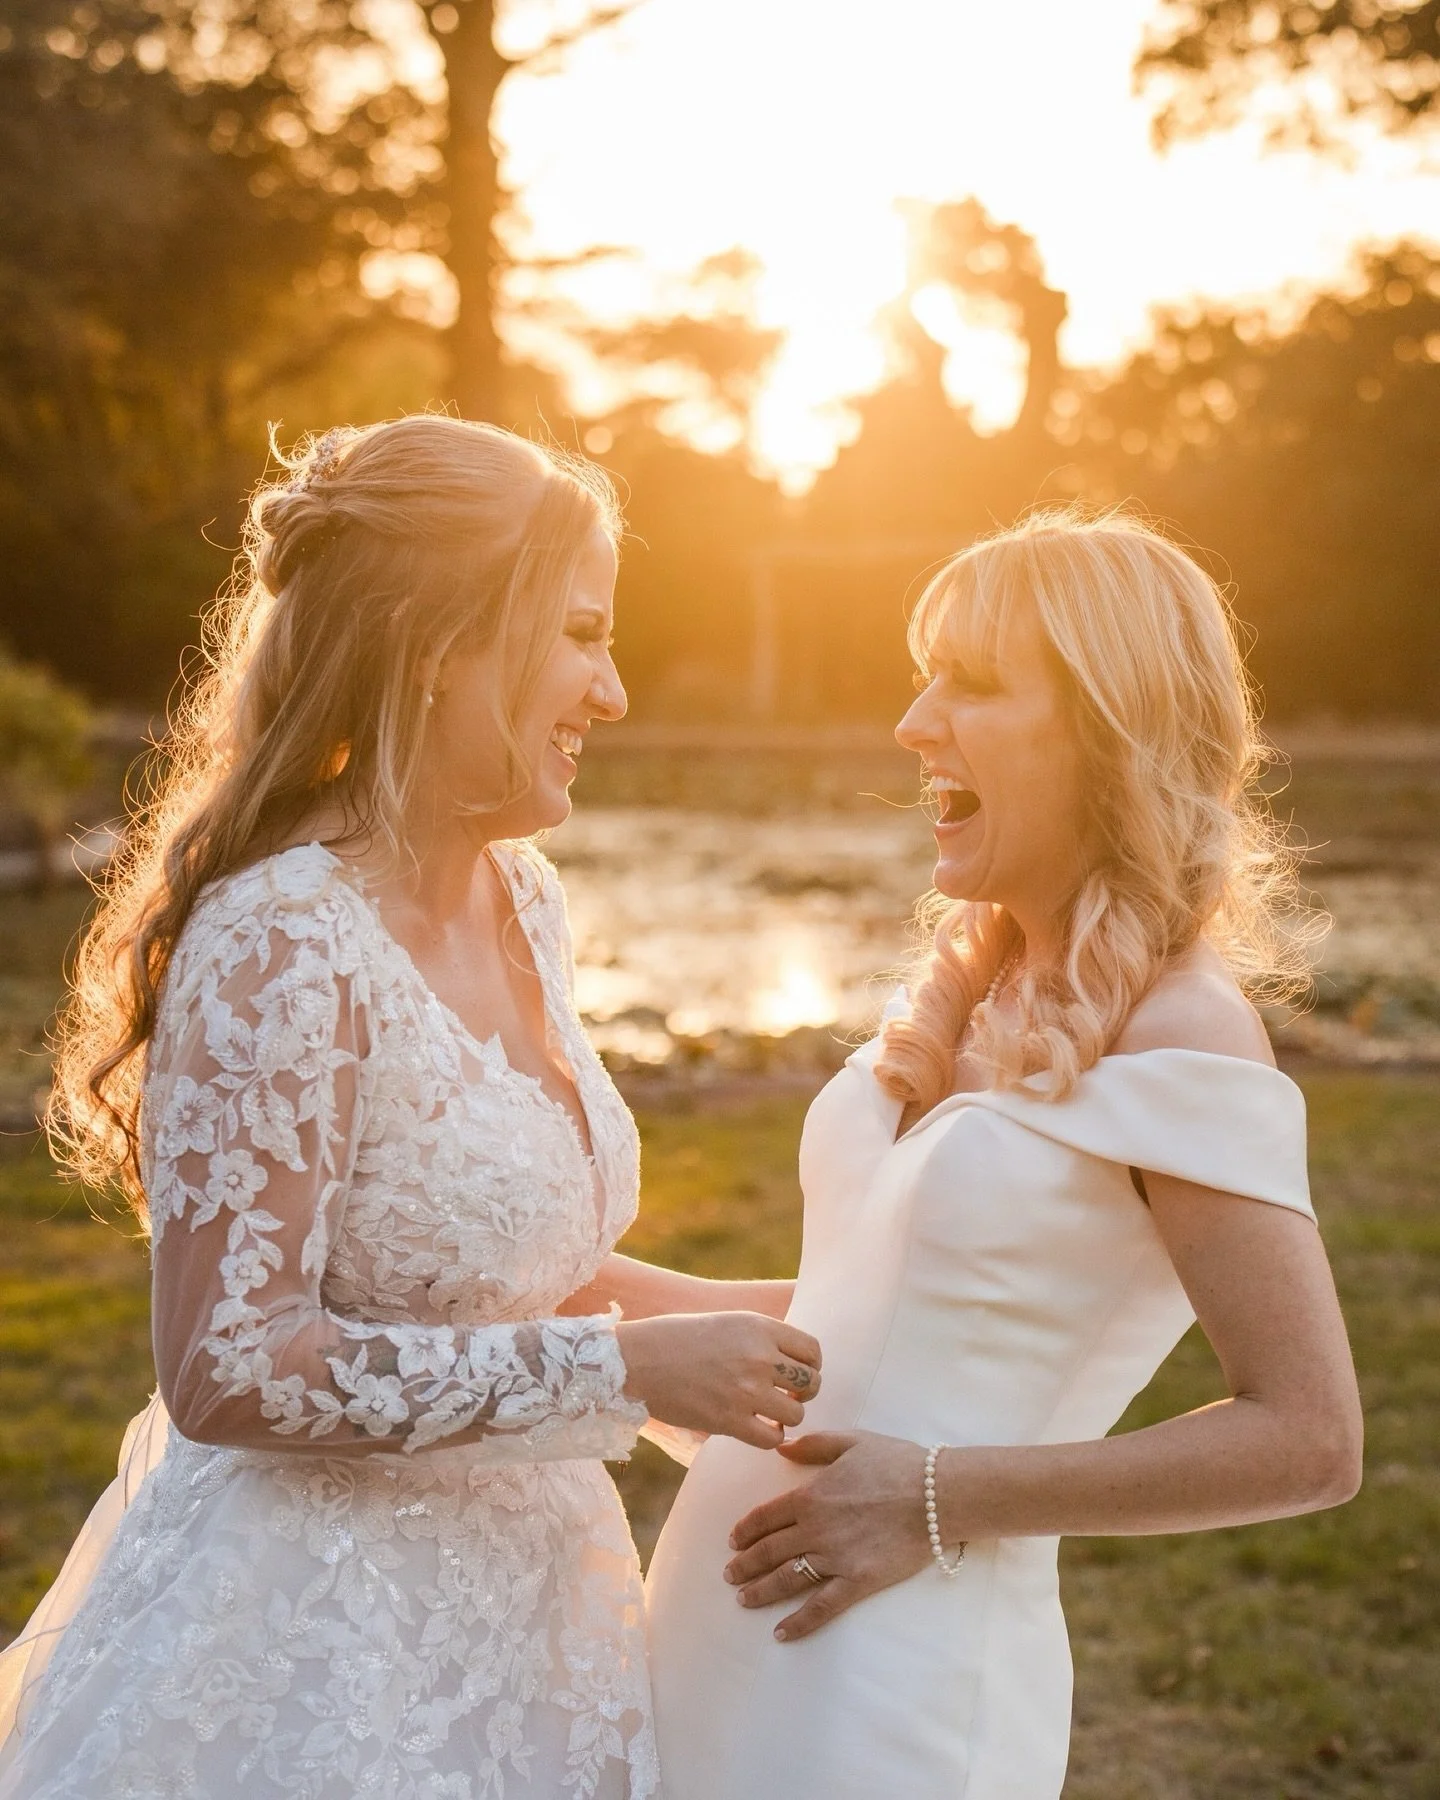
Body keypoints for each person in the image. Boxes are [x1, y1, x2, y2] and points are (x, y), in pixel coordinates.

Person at [0, 416, 822, 1800]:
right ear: (441, 645)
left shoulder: (527, 900)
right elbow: (231, 1367)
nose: (612, 692)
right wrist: (625, 1375)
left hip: (541, 1618)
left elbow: (496, 1268)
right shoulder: (280, 943)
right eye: (578, 636)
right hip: (325, 1650)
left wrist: (804, 1317)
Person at [645, 509, 1364, 1800]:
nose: (917, 723)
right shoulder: (975, 990)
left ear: (1107, 727)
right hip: (712, 1664)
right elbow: (846, 1331)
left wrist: (933, 1498)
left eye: (971, 685)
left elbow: (1310, 1435)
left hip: (886, 1694)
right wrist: (545, 1289)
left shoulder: (1185, 1028)